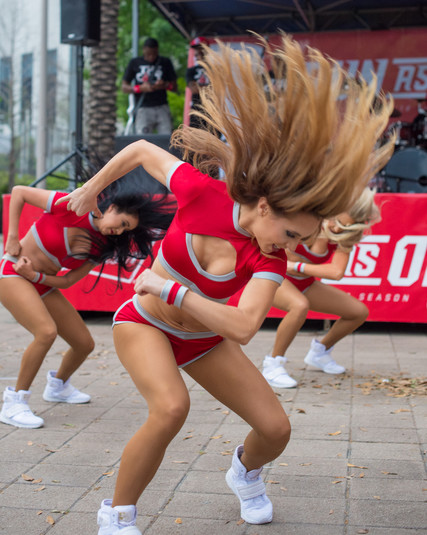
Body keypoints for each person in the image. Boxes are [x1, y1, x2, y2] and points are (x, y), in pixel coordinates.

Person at [59, 35, 394, 534]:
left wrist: (171, 289)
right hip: (144, 323)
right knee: (171, 408)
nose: (292, 247)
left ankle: (245, 474)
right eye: (291, 234)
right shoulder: (203, 193)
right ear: (266, 206)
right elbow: (143, 150)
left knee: (275, 428)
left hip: (203, 338)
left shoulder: (268, 257)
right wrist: (90, 190)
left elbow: (241, 326)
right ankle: (117, 515)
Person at [0, 180, 173, 429]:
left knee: (84, 343)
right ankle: (14, 402)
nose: (119, 232)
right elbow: (19, 192)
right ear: (111, 207)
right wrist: (12, 237)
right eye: (123, 223)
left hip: (39, 281)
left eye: (126, 230)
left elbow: (68, 280)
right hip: (12, 272)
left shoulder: (102, 245)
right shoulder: (72, 205)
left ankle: (57, 386)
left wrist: (35, 276)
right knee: (46, 332)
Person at [262, 188, 380, 388]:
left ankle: (320, 353)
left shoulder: (344, 236)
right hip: (272, 275)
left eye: (344, 225)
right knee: (299, 305)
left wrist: (297, 266)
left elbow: (336, 272)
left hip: (302, 281)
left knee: (358, 312)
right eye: (335, 219)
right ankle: (272, 364)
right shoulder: (308, 217)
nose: (334, 226)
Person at [122, 37, 177, 135]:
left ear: (157, 50)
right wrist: (140, 88)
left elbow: (174, 87)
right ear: (143, 50)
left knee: (167, 137)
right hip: (143, 108)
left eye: (154, 54)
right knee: (143, 138)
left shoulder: (165, 62)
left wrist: (164, 85)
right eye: (148, 54)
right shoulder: (135, 62)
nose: (151, 57)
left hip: (162, 106)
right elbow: (124, 87)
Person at [186, 36, 211, 129]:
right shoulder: (191, 70)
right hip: (197, 109)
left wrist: (200, 87)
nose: (198, 51)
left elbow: (218, 90)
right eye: (196, 49)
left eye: (201, 48)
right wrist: (208, 88)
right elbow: (194, 89)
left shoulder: (215, 70)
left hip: (212, 110)